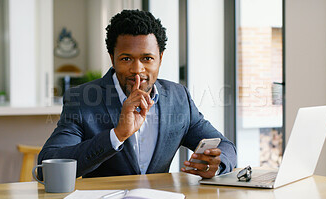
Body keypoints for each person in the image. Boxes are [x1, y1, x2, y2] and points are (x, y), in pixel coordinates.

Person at [38, 9, 237, 179]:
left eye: (147, 58)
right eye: (126, 59)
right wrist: (117, 135)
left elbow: (226, 147)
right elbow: (47, 167)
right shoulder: (82, 98)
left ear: (160, 58)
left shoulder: (178, 97)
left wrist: (216, 164)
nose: (137, 69)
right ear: (112, 58)